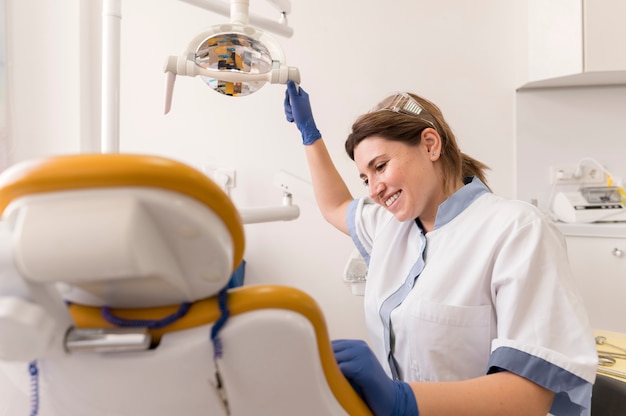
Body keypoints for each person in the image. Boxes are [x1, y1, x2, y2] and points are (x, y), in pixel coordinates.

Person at [283, 80, 597, 416]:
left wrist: (403, 400)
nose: (373, 190)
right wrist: (309, 134)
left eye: (380, 166)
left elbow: (530, 395)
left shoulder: (517, 230)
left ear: (430, 145)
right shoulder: (391, 226)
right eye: (364, 178)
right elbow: (335, 206)